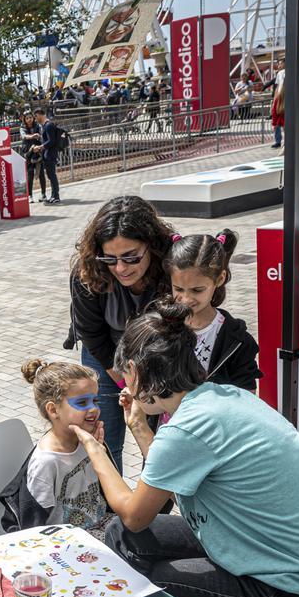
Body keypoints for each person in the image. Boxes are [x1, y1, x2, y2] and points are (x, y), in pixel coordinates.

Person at [72, 301, 299, 597]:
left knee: (151, 575)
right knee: (121, 537)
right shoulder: (225, 396)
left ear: (134, 369)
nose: (125, 386)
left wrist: (95, 450)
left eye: (125, 377)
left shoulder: (187, 428)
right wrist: (142, 428)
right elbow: (167, 483)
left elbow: (134, 514)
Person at [67, 195, 175, 474]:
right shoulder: (87, 272)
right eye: (110, 259)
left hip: (159, 357)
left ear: (152, 246)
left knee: (156, 439)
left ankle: (150, 506)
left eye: (131, 257)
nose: (121, 269)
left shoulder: (174, 266)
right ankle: (108, 510)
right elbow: (93, 334)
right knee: (104, 435)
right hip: (105, 353)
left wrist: (142, 389)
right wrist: (122, 381)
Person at [19, 359, 110, 537]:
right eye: (82, 403)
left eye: (95, 400)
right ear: (53, 410)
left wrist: (101, 455)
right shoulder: (46, 462)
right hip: (67, 540)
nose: (93, 409)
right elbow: (35, 526)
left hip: (100, 523)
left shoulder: (88, 440)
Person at [165, 231, 261, 389]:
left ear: (220, 279)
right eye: (179, 289)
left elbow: (246, 397)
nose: (186, 299)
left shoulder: (238, 340)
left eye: (197, 290)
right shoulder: (161, 326)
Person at [34, 108, 62, 205]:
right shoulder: (45, 126)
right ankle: (53, 195)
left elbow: (51, 141)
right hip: (47, 153)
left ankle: (56, 196)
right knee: (50, 176)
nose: (36, 119)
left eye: (36, 116)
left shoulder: (48, 125)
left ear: (41, 114)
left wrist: (41, 147)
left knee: (52, 176)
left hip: (50, 154)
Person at [19, 112, 43, 197]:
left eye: (30, 117)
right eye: (27, 118)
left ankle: (43, 194)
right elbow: (23, 136)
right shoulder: (22, 127)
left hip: (38, 150)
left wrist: (39, 137)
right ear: (24, 120)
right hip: (28, 152)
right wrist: (33, 136)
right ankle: (30, 195)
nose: (29, 119)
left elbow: (42, 135)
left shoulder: (38, 126)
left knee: (41, 173)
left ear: (33, 118)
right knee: (30, 174)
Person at [270, 59, 286, 148]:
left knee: (283, 119)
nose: (279, 65)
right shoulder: (279, 73)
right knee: (276, 118)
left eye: (280, 63)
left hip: (285, 97)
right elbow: (277, 86)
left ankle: (285, 142)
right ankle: (278, 140)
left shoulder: (291, 71)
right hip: (279, 97)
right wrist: (275, 99)